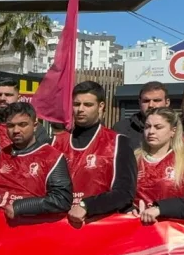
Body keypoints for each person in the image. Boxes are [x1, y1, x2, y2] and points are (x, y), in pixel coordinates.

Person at [54, 81, 136, 226]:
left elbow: (124, 194)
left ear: (101, 106)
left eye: (88, 105)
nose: (80, 109)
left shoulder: (118, 142)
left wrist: (87, 206)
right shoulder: (55, 142)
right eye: (76, 104)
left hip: (99, 229)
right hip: (60, 226)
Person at [0, 102, 73, 219]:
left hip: (27, 230)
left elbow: (62, 199)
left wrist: (21, 207)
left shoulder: (52, 157)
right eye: (11, 126)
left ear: (35, 125)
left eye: (22, 124)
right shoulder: (1, 153)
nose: (16, 130)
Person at [134, 108, 184, 223]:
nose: (151, 131)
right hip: (135, 229)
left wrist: (161, 209)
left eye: (158, 127)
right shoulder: (132, 158)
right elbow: (119, 194)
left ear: (173, 131)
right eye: (147, 126)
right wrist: (129, 209)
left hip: (172, 233)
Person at [124, 80, 170, 150]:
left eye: (156, 100)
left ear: (167, 103)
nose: (151, 105)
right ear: (139, 102)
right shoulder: (121, 129)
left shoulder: (179, 128)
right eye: (146, 101)